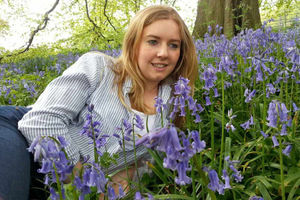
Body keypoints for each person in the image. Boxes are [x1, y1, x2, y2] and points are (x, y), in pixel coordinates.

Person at [0, 5, 198, 200]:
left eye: (173, 45)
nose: (163, 52)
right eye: (153, 41)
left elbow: (151, 161)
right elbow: (38, 122)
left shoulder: (175, 99)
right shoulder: (98, 68)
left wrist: (127, 179)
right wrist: (88, 182)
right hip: (20, 136)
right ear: (134, 43)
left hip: (55, 184)